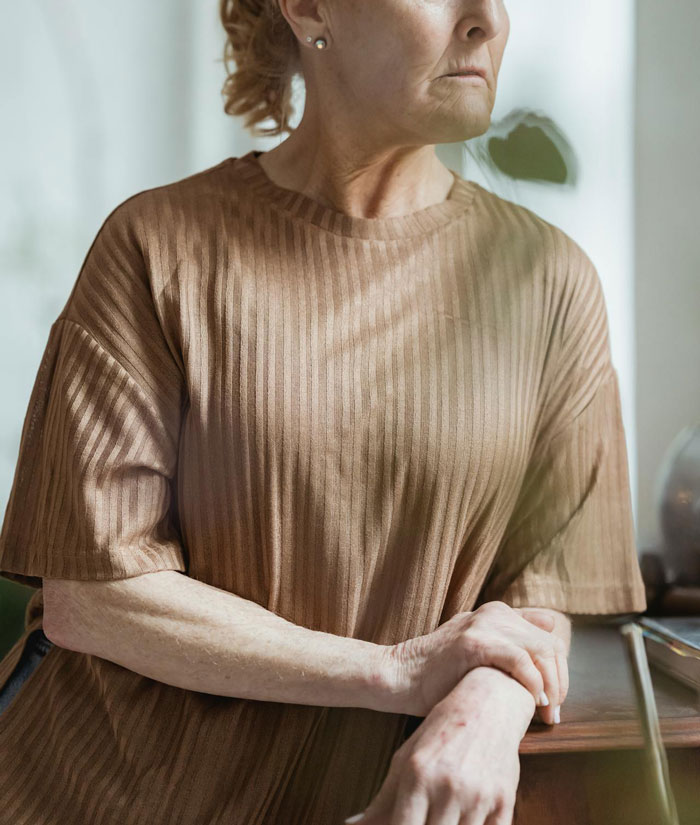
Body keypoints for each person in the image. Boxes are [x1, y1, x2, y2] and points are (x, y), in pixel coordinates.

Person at [0, 0, 646, 823]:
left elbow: (546, 596)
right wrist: (397, 671)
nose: (487, 19)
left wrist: (487, 706)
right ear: (308, 8)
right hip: (95, 795)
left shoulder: (549, 283)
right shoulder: (156, 246)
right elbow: (92, 598)